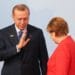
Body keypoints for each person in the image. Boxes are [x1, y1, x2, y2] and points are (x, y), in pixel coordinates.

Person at [0, 4, 48, 75]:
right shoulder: (3, 33)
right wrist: (17, 47)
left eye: (25, 19)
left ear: (29, 16)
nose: (22, 22)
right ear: (13, 17)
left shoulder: (37, 32)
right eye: (19, 19)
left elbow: (44, 59)